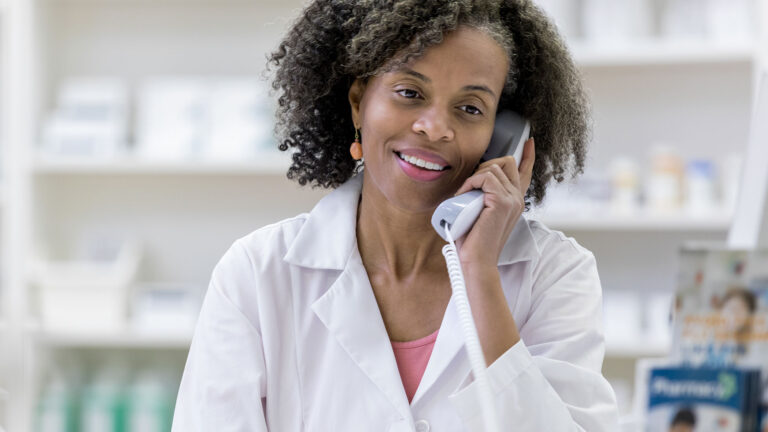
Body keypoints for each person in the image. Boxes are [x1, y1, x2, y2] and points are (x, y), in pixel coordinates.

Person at [172, 1, 620, 430]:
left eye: (470, 108)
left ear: (503, 137)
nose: (435, 126)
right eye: (410, 92)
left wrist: (479, 274)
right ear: (357, 102)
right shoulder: (256, 273)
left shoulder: (555, 275)